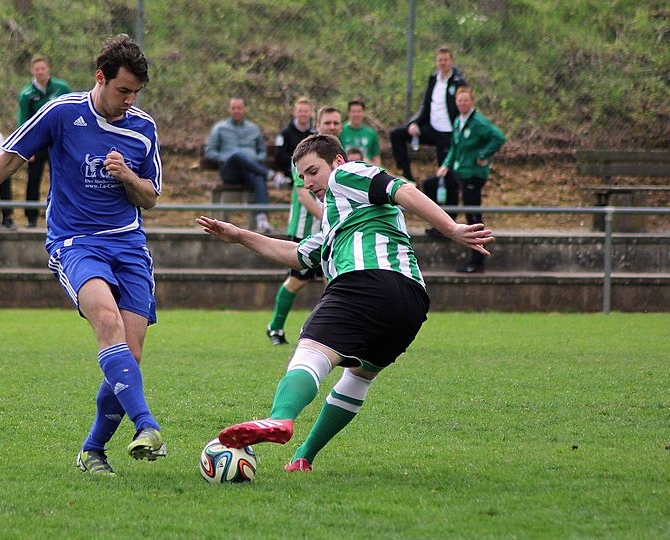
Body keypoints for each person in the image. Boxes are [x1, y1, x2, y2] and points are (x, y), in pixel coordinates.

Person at [0, 34, 165, 476]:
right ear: (100, 77)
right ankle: (146, 424)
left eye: (136, 92)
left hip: (129, 245)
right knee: (106, 322)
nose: (130, 100)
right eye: (123, 90)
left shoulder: (143, 128)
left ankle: (93, 450)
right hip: (76, 242)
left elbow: (150, 197)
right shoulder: (62, 112)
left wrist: (128, 175)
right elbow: (6, 161)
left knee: (130, 354)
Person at [196, 134, 493, 473]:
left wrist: (451, 228)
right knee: (359, 376)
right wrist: (239, 236)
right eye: (302, 177)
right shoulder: (338, 224)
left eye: (313, 171)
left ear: (337, 161)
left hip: (366, 281)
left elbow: (403, 190)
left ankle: (279, 418)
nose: (308, 183)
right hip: (411, 302)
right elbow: (296, 254)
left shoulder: (346, 173)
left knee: (311, 350)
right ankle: (304, 456)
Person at [266, 106, 345, 346]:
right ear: (317, 125)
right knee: (297, 280)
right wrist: (330, 218)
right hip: (305, 230)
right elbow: (303, 195)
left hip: (331, 231)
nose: (332, 127)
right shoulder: (305, 154)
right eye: (327, 123)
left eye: (336, 123)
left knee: (333, 280)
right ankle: (275, 327)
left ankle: (333, 331)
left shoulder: (340, 155)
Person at [435, 87, 506, 273]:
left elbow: (498, 137)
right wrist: (446, 164)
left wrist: (483, 155)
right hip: (461, 171)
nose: (462, 103)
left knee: (473, 215)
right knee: (433, 184)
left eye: (466, 100)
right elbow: (455, 147)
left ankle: (478, 260)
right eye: (459, 100)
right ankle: (442, 225)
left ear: (472, 102)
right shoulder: (458, 120)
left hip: (473, 173)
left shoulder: (478, 122)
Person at [389, 47, 467, 181]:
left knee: (446, 171)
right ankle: (406, 176)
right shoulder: (433, 79)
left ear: (451, 61)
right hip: (431, 128)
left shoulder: (458, 82)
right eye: (440, 60)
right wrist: (415, 123)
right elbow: (425, 106)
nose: (443, 63)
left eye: (445, 60)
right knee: (397, 134)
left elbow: (463, 105)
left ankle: (445, 191)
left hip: (448, 132)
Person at [204, 97, 273, 233]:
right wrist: (226, 158)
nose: (236, 111)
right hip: (230, 172)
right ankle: (270, 175)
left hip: (249, 171)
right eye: (233, 108)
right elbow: (210, 152)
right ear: (229, 110)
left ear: (244, 109)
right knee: (237, 155)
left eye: (239, 108)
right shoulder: (220, 128)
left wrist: (254, 159)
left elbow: (262, 152)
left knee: (259, 178)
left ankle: (262, 220)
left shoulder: (254, 129)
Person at [17, 56, 72, 227]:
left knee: (63, 176)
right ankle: (31, 217)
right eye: (37, 69)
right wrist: (27, 148)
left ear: (48, 69)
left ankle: (65, 214)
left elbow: (70, 112)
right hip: (38, 141)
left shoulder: (62, 88)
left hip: (59, 139)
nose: (40, 72)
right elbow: (23, 122)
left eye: (43, 68)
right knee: (33, 178)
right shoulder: (27, 94)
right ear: (32, 71)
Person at [272, 96, 315, 186]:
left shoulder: (315, 133)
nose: (303, 114)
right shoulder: (284, 134)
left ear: (310, 113)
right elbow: (279, 156)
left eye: (306, 111)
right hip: (291, 171)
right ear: (295, 113)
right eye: (300, 111)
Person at [338, 98, 381, 165]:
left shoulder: (371, 133)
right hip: (346, 167)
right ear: (348, 113)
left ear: (364, 113)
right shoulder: (340, 131)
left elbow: (376, 157)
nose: (356, 114)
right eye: (353, 112)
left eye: (359, 111)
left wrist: (375, 168)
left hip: (366, 167)